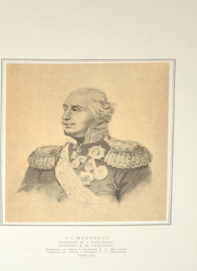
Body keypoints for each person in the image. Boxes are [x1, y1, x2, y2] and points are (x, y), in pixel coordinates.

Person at [18, 88, 152, 208]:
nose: (65, 117)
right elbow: (23, 207)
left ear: (99, 115)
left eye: (76, 109)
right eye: (65, 109)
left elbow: (133, 213)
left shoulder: (127, 160)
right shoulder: (45, 159)